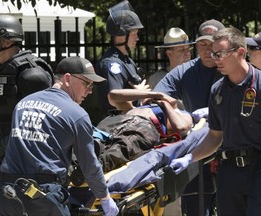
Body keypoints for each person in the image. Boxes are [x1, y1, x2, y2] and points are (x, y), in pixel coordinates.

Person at [0, 56, 119, 216]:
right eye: (87, 83)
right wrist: (105, 197)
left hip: (7, 193)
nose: (89, 91)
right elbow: (89, 165)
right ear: (67, 78)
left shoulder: (23, 104)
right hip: (42, 197)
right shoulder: (77, 114)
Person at [170, 27, 261, 216]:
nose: (216, 58)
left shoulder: (258, 83)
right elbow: (215, 136)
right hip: (229, 171)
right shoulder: (217, 91)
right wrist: (190, 157)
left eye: (221, 54)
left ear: (240, 52)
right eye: (214, 53)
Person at [153, 19, 225, 216]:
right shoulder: (184, 71)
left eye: (212, 44)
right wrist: (176, 114)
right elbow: (157, 97)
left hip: (232, 154)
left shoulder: (230, 68)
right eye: (202, 44)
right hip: (198, 152)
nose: (207, 49)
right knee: (196, 209)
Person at [0, 14, 54, 168]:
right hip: (5, 160)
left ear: (7, 41)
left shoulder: (32, 74)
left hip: (29, 160)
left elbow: (36, 124)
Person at [95, 1, 149, 119]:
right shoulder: (112, 63)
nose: (137, 38)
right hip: (118, 126)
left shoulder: (127, 60)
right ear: (121, 35)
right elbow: (116, 99)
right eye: (134, 33)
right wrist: (139, 94)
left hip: (130, 121)